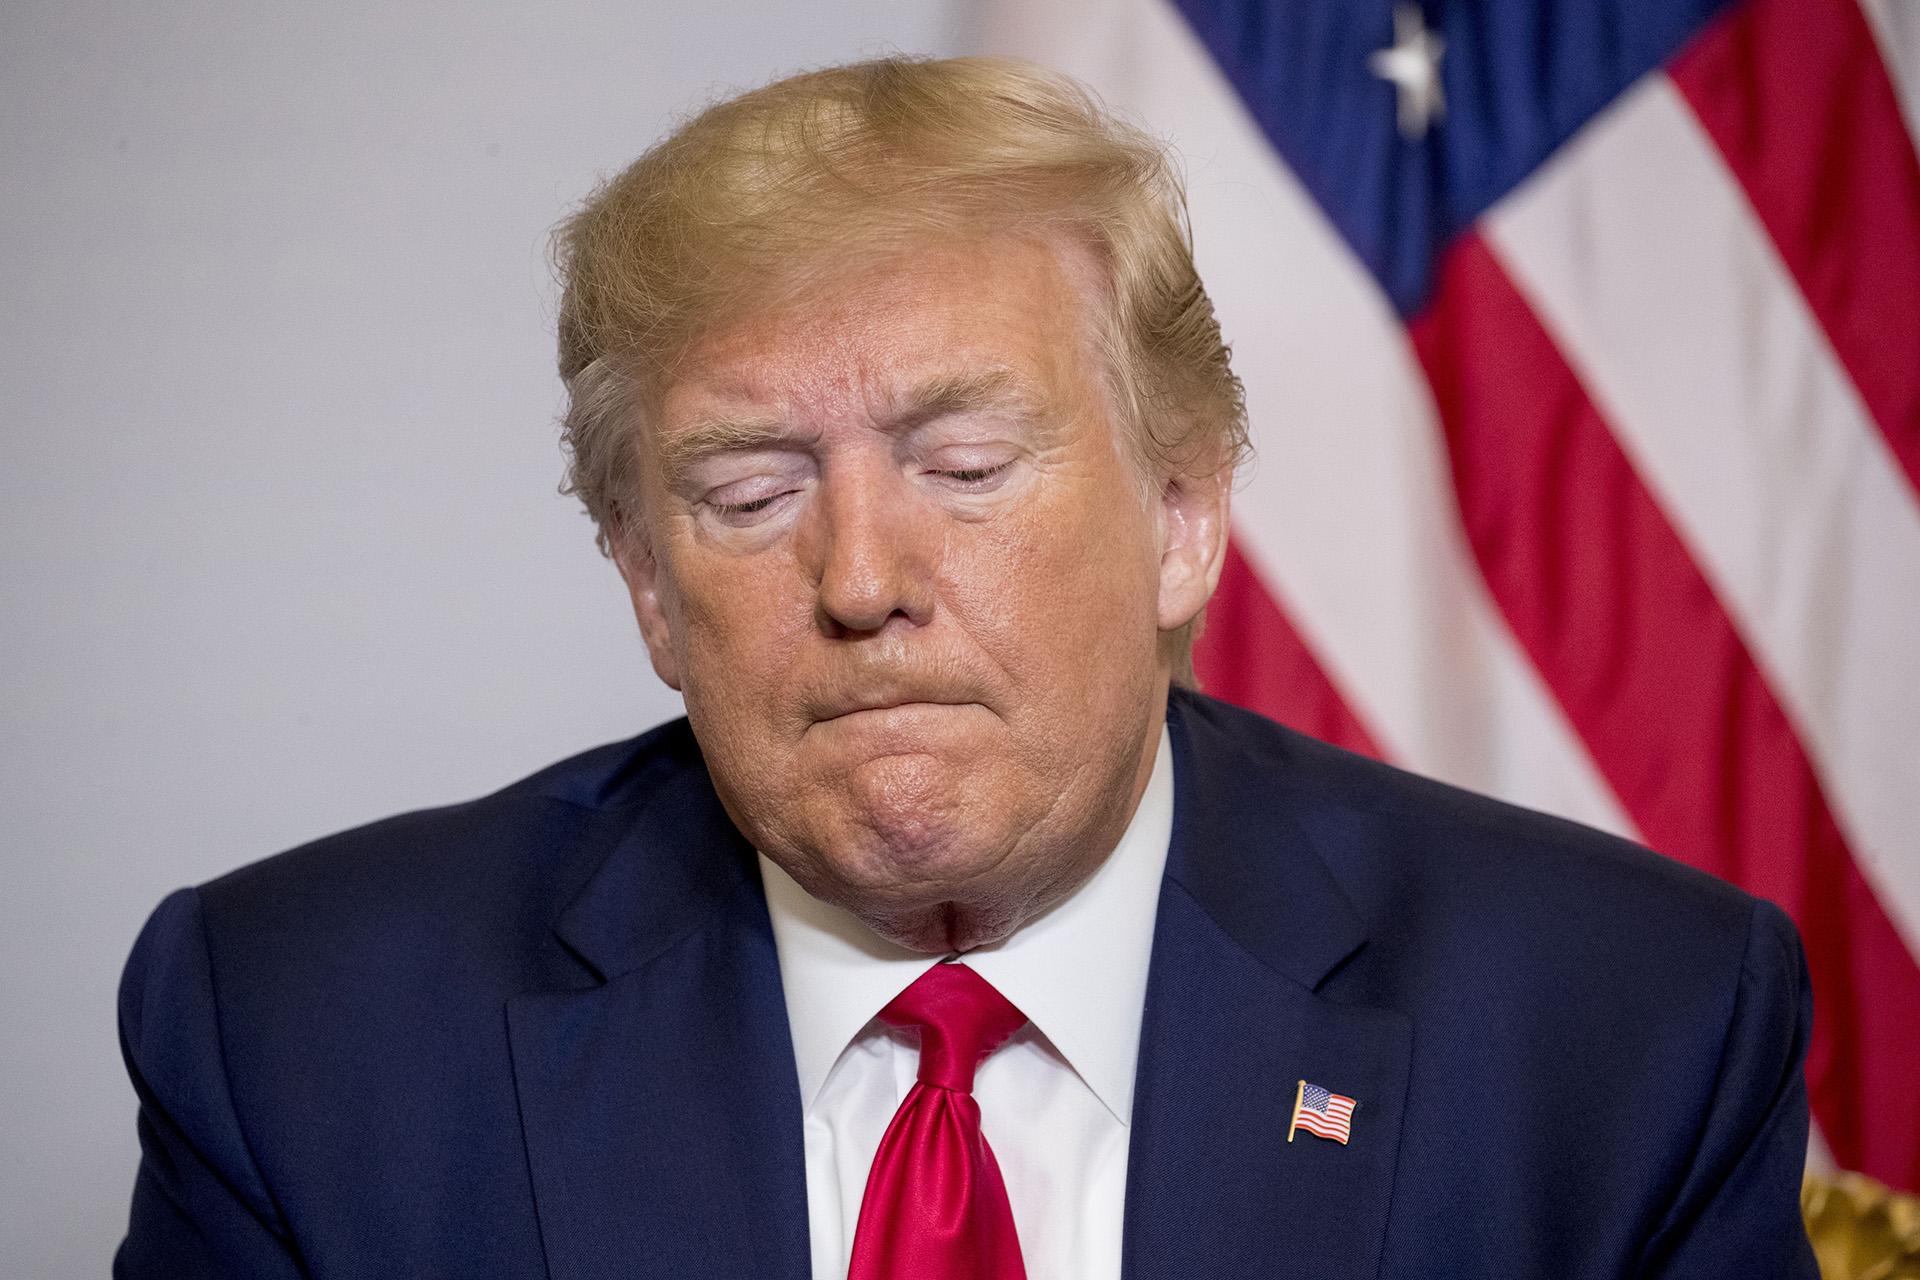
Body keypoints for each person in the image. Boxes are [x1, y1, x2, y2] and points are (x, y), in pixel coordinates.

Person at [115, 56, 1818, 1278]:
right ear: (645, 584)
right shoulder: (304, 1038)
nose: (860, 579)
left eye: (966, 466)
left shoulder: (1623, 1033)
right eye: (750, 492)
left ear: (1182, 515)